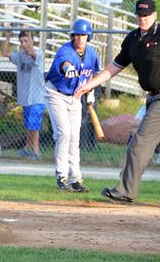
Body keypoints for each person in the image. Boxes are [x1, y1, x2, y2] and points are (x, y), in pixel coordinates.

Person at [75, 0, 160, 206]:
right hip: (155, 97)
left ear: (154, 15)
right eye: (140, 15)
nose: (143, 19)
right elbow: (114, 67)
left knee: (140, 142)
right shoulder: (133, 39)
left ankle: (125, 191)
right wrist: (89, 84)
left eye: (147, 15)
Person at [44, 19, 100, 192]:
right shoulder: (65, 50)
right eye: (76, 35)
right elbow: (64, 63)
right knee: (64, 134)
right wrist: (68, 68)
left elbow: (91, 74)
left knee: (75, 137)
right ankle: (62, 177)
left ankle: (75, 178)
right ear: (72, 36)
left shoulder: (91, 54)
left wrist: (89, 91)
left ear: (88, 36)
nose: (79, 38)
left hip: (75, 96)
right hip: (56, 94)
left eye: (83, 35)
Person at [1, 30, 45, 160]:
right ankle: (27, 147)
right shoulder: (20, 55)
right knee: (28, 124)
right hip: (26, 96)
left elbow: (32, 54)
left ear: (32, 41)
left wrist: (29, 40)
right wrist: (7, 36)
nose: (23, 44)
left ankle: (36, 151)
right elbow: (5, 53)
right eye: (21, 41)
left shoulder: (39, 53)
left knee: (34, 124)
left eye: (26, 40)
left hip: (37, 96)